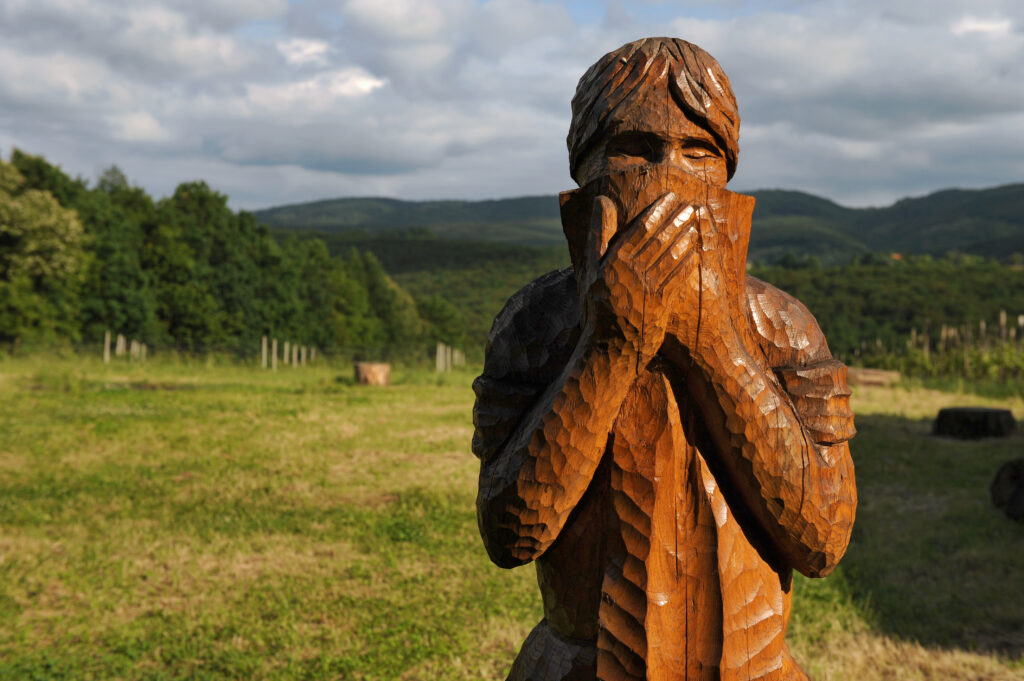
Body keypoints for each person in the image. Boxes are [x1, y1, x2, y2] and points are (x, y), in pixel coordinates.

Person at [472, 37, 857, 681]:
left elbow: (821, 539)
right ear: (585, 168)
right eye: (632, 148)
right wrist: (609, 346)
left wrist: (716, 346)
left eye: (698, 150)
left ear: (727, 168)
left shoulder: (780, 326)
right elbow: (512, 534)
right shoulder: (538, 323)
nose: (668, 175)